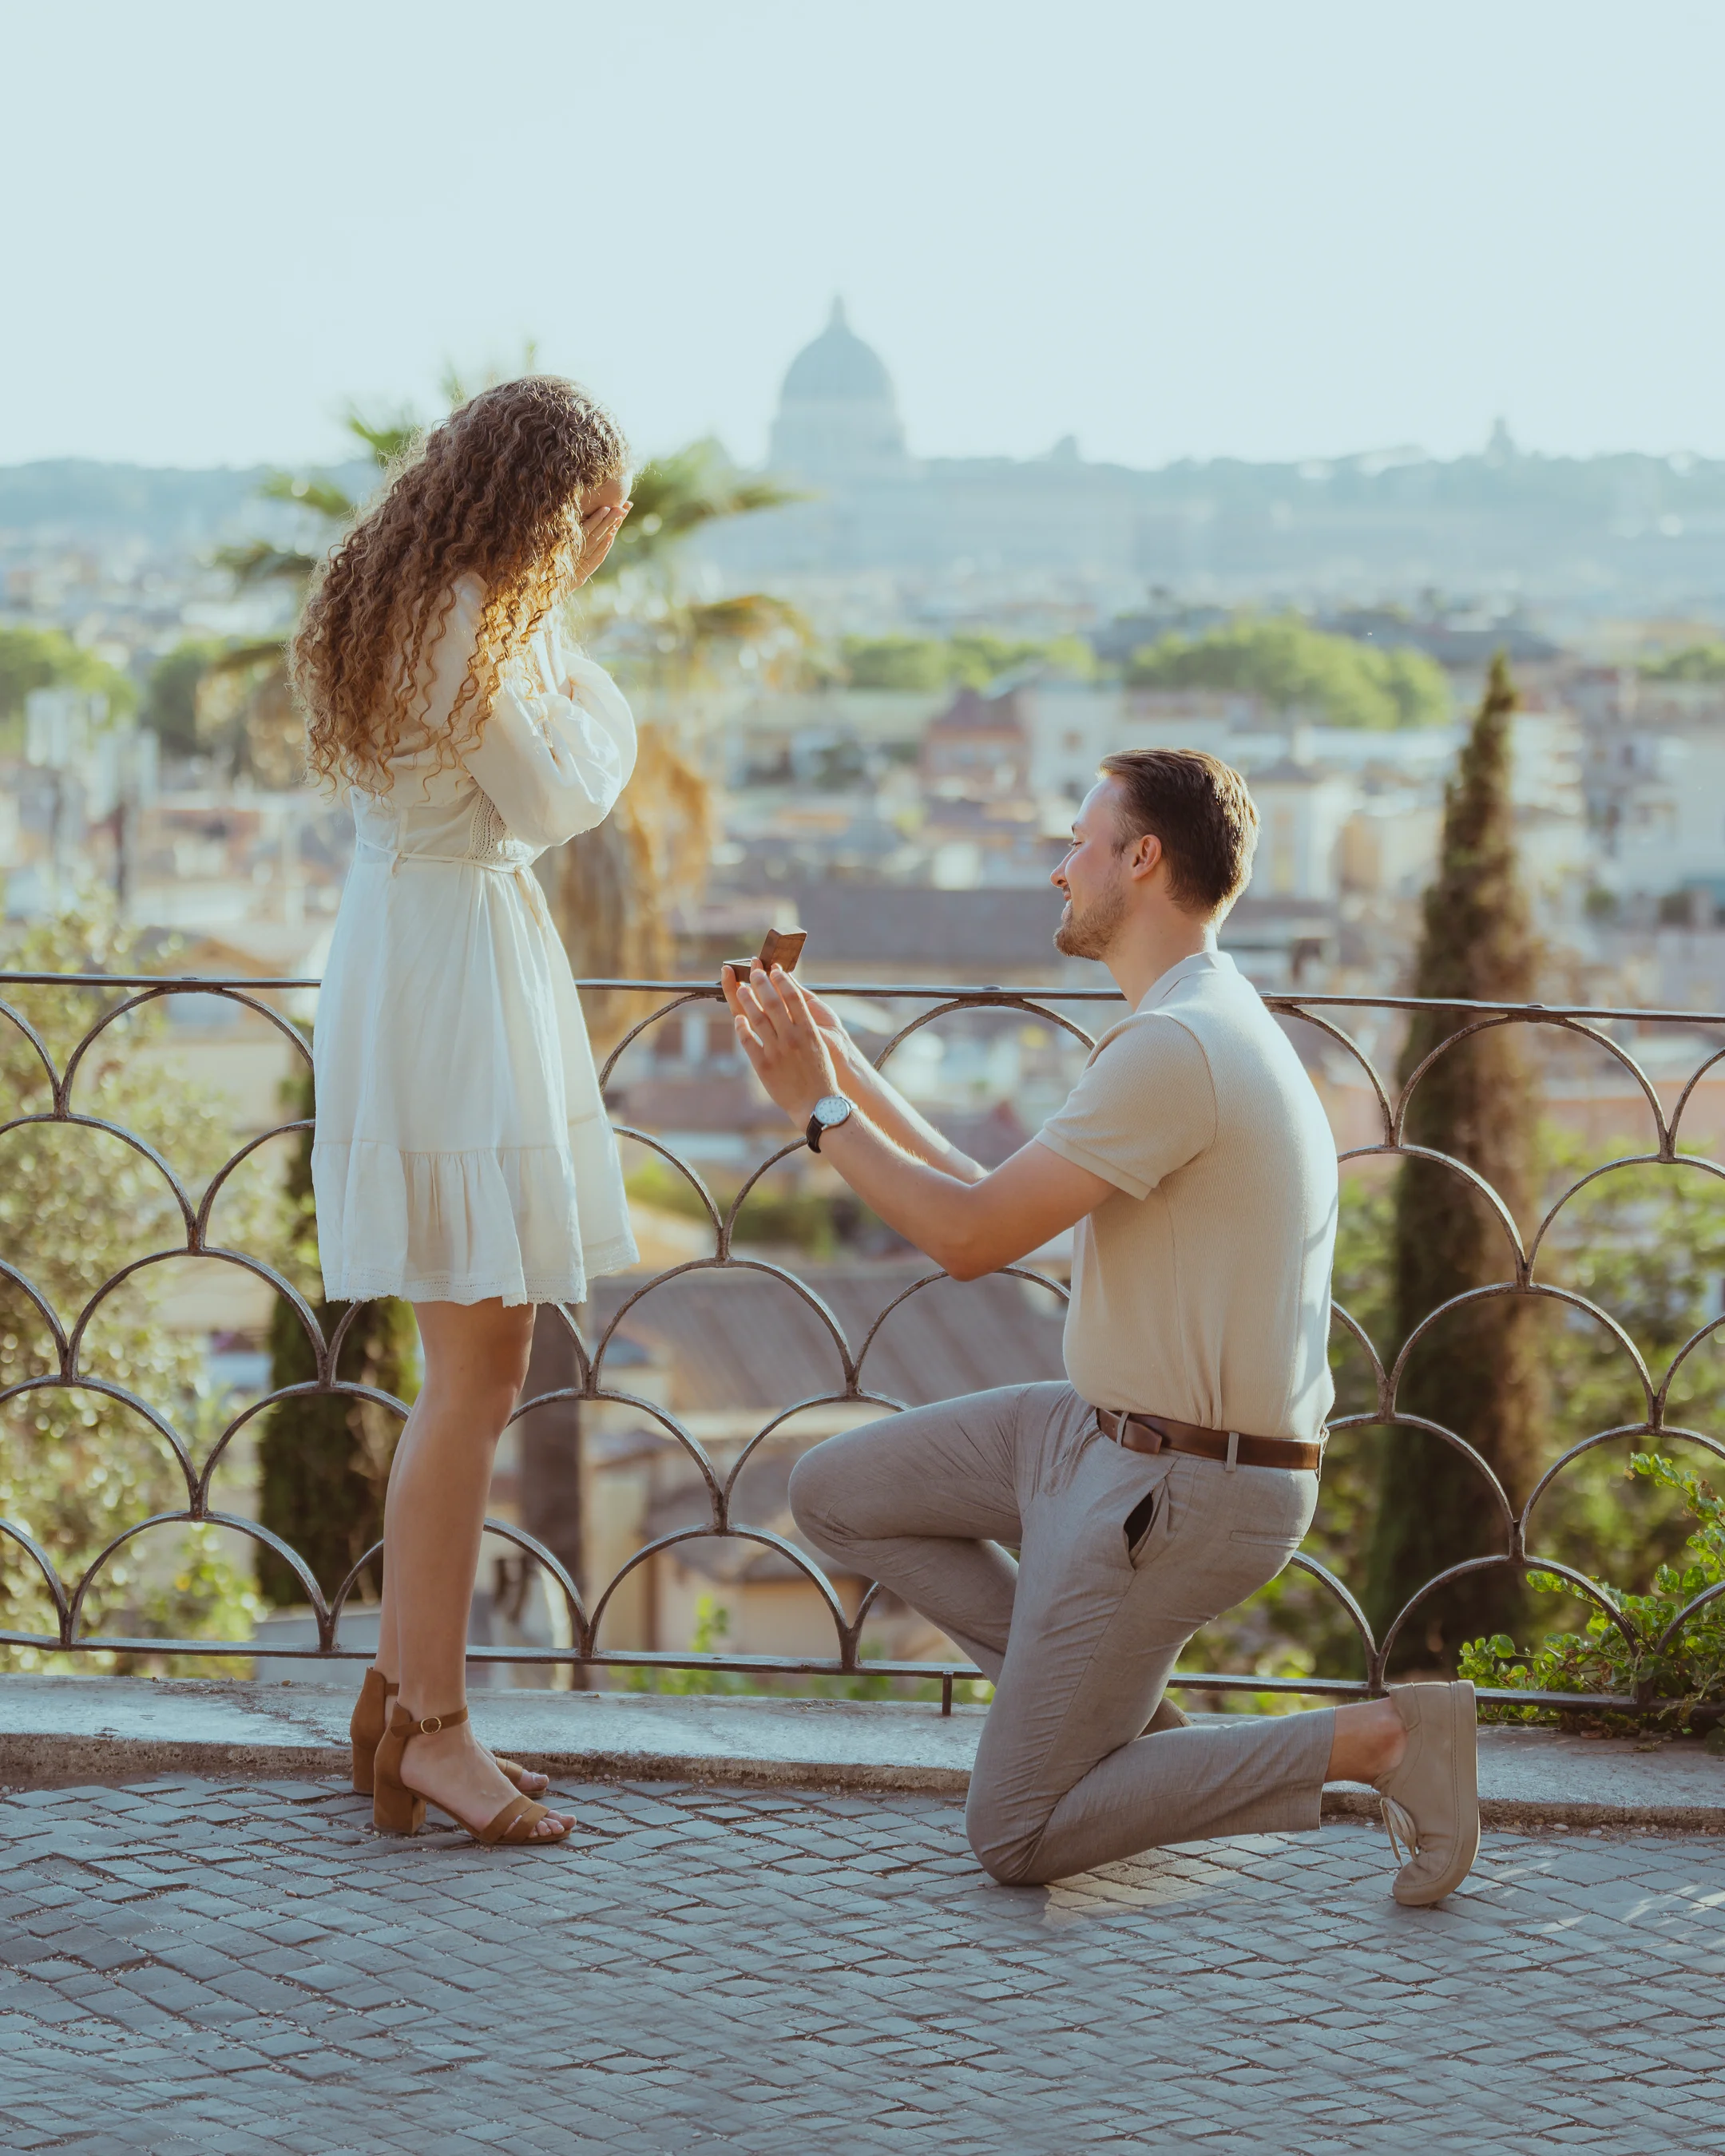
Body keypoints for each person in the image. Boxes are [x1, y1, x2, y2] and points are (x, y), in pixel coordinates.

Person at [722, 748, 1479, 1903]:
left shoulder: (1177, 1048)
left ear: (1143, 858)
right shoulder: (1192, 1018)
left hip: (1188, 1484)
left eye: (1080, 841)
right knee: (836, 1492)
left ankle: (1380, 1741)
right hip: (1097, 1433)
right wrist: (844, 1069)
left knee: (1016, 1834)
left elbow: (969, 1241)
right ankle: (1112, 1735)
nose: (1059, 867)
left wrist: (815, 1112)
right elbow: (990, 1194)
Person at [292, 376, 641, 1848]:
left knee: (477, 1364)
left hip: (428, 958)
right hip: (450, 980)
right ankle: (433, 1727)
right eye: (594, 515)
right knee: (479, 1369)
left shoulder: (427, 596)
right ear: (554, 503)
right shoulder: (465, 616)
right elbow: (558, 797)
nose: (597, 540)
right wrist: (597, 688)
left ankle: (398, 1700)